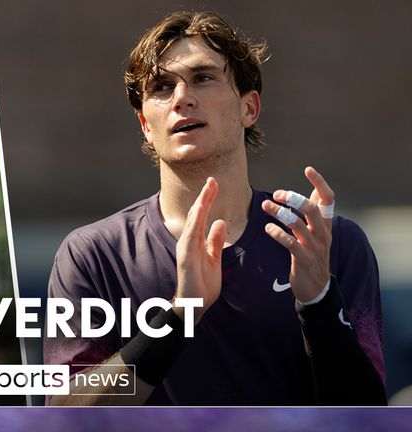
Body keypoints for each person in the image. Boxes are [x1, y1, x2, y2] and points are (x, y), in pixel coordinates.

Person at [45, 10, 385, 405]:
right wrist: (179, 316)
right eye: (161, 87)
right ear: (145, 126)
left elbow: (370, 414)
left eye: (203, 78)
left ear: (249, 108)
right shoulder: (93, 254)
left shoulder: (330, 243)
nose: (182, 98)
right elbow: (64, 414)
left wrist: (319, 301)